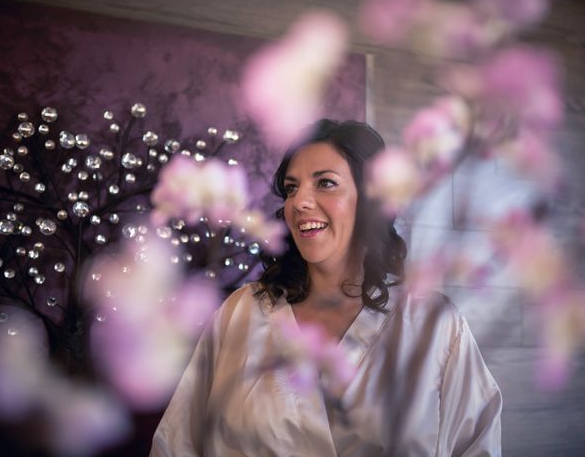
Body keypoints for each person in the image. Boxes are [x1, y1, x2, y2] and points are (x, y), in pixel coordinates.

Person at [150, 119, 502, 456]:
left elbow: (477, 446)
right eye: (291, 188)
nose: (299, 202)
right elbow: (176, 444)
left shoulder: (434, 324)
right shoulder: (240, 313)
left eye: (325, 183)